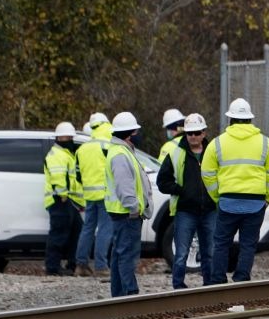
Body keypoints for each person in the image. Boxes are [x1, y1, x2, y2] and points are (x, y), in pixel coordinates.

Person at [202, 97, 269, 284]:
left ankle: (217, 281)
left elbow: (207, 172)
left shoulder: (217, 143)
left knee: (221, 243)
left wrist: (217, 196)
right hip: (255, 202)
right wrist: (268, 198)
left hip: (227, 200)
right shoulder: (265, 143)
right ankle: (241, 279)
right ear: (250, 120)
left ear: (230, 119)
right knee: (248, 245)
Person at [157, 112, 216, 289]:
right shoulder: (175, 154)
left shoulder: (213, 153)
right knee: (181, 253)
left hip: (210, 210)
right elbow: (163, 181)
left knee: (210, 252)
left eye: (197, 133)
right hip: (185, 211)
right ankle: (178, 286)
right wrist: (181, 191)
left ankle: (210, 285)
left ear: (204, 133)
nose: (193, 136)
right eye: (190, 133)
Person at [104, 111, 151, 297]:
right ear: (130, 134)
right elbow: (125, 187)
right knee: (127, 255)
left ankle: (118, 295)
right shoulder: (120, 155)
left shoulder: (121, 151)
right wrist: (134, 208)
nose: (138, 136)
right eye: (135, 132)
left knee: (119, 254)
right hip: (126, 214)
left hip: (122, 213)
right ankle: (130, 293)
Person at [75, 112, 113, 279]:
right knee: (105, 229)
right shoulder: (108, 145)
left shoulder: (82, 149)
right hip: (106, 195)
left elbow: (77, 175)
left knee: (88, 229)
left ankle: (81, 265)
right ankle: (101, 266)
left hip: (89, 195)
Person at [43, 121, 83, 276]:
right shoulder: (57, 155)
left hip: (68, 202)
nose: (71, 139)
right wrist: (63, 195)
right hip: (60, 201)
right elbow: (58, 177)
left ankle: (72, 264)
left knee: (76, 231)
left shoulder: (65, 153)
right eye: (69, 136)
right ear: (62, 137)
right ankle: (52, 267)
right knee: (58, 234)